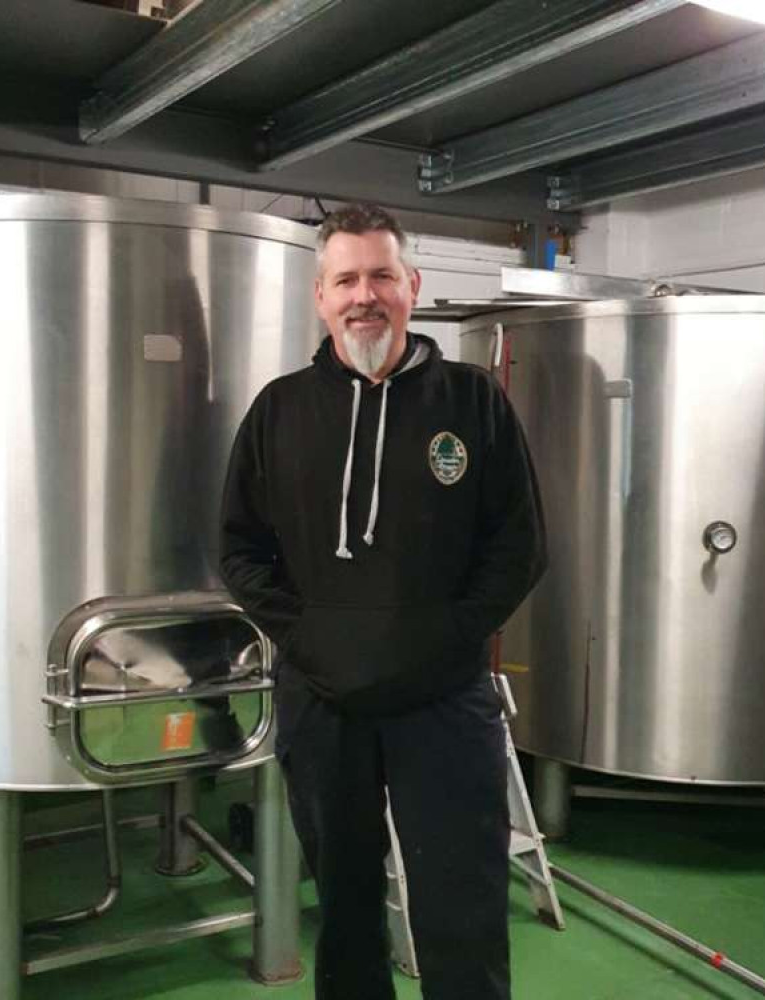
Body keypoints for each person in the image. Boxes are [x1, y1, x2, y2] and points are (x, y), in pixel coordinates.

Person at [219, 203, 546, 1000]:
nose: (364, 295)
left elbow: (520, 547)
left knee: (461, 906)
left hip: (446, 699)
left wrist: (447, 638)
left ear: (412, 287)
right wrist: (311, 643)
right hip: (323, 703)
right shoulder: (280, 411)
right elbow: (240, 548)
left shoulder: (472, 404)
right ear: (320, 297)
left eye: (381, 276)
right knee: (346, 906)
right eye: (346, 279)